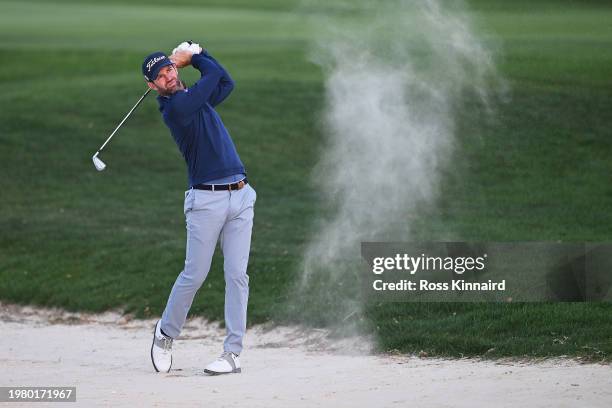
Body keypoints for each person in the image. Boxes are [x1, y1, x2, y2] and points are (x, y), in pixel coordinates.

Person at [142, 42, 256, 375]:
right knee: (195, 274)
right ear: (152, 87)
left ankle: (232, 354)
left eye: (169, 68)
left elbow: (226, 83)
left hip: (241, 195)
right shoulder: (176, 109)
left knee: (238, 276)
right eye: (160, 76)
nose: (167, 76)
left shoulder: (194, 99)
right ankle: (164, 334)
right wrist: (195, 57)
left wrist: (198, 57)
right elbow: (214, 73)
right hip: (205, 201)